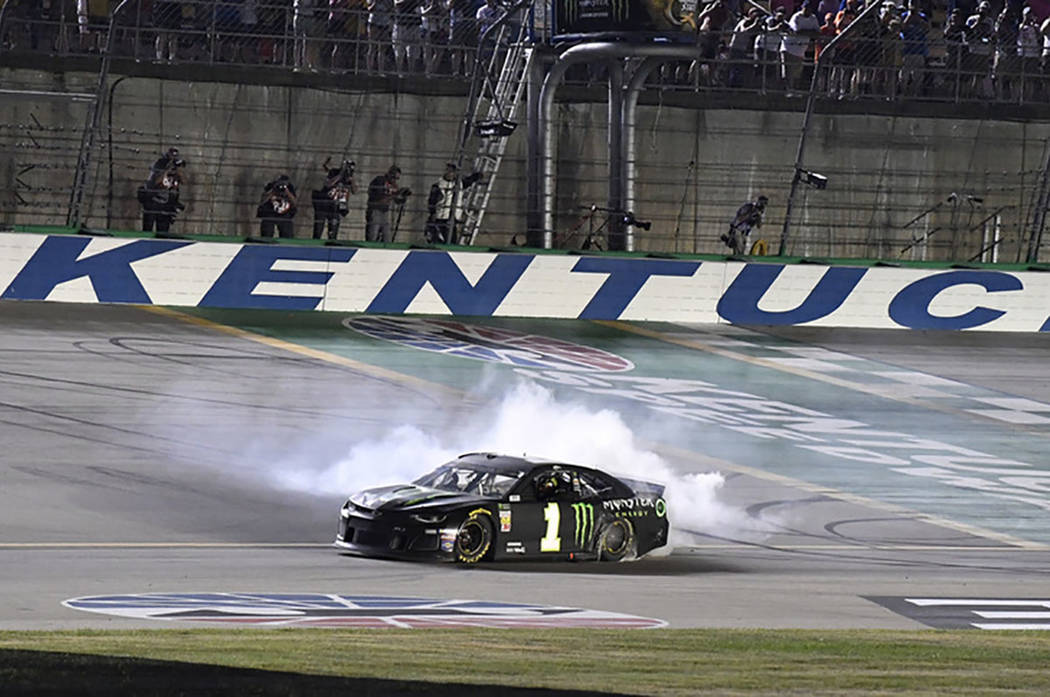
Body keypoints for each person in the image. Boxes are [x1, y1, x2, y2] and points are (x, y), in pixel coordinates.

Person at [425, 162, 482, 244]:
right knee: (441, 240)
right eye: (449, 171)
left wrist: (477, 176)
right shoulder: (438, 186)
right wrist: (433, 213)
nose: (450, 173)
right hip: (442, 218)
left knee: (452, 240)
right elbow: (432, 201)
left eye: (452, 172)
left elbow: (469, 180)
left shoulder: (459, 183)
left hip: (453, 218)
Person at [138, 147, 186, 234]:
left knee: (163, 233)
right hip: (152, 201)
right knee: (147, 231)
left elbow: (180, 184)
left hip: (165, 205)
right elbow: (154, 182)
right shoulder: (160, 164)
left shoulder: (175, 176)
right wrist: (167, 170)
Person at [312, 158, 358, 240]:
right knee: (318, 229)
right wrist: (340, 175)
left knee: (333, 231)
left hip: (336, 207)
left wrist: (352, 180)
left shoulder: (349, 178)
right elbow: (328, 184)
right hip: (325, 204)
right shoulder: (334, 172)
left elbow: (355, 191)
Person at [365, 165, 411, 242]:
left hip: (385, 212)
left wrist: (403, 196)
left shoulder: (393, 185)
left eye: (397, 179)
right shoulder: (380, 181)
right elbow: (380, 199)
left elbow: (395, 200)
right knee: (373, 235)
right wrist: (396, 194)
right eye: (394, 177)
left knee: (387, 236)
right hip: (375, 210)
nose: (394, 180)